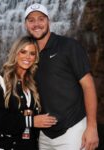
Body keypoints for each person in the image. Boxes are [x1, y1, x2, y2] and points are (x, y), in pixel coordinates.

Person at [24, 3, 99, 150]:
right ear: (26, 24)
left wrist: (92, 127)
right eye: (31, 20)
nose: (36, 24)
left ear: (48, 21)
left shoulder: (69, 46)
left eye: (41, 19)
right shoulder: (28, 55)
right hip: (44, 134)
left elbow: (88, 85)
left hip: (73, 129)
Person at [0, 36, 57, 150]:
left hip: (30, 145)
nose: (27, 57)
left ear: (36, 57)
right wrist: (31, 121)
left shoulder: (35, 82)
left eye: (32, 53)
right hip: (6, 146)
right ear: (15, 53)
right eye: (23, 52)